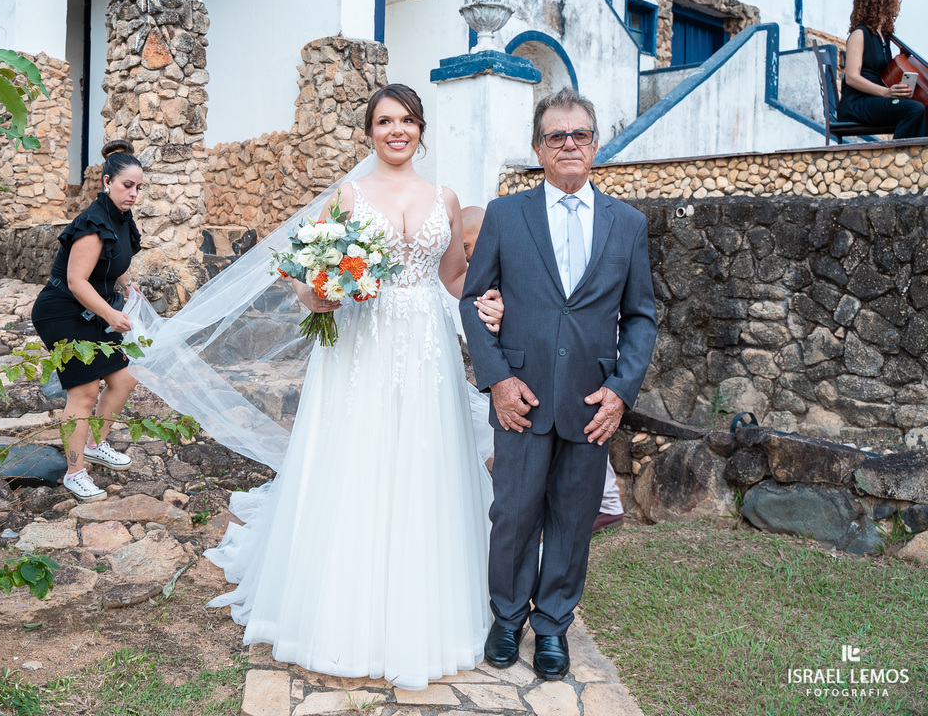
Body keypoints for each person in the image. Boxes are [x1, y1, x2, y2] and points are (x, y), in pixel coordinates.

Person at [206, 84, 503, 691]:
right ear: (369, 131)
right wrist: (317, 291)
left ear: (421, 128)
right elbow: (303, 269)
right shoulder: (347, 195)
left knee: (426, 464)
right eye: (385, 121)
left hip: (425, 347)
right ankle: (341, 617)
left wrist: (488, 299)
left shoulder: (443, 197)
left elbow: (451, 279)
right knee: (358, 459)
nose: (397, 130)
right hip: (362, 343)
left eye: (407, 120)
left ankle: (425, 616)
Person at [460, 87, 657, 679]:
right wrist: (496, 380)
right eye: (556, 137)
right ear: (538, 149)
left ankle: (552, 627)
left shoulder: (628, 224)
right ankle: (506, 616)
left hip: (591, 402)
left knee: (573, 520)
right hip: (519, 396)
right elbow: (474, 300)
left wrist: (621, 390)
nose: (569, 144)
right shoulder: (504, 215)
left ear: (595, 145)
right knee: (514, 513)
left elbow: (642, 315)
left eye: (580, 135)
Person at [465, 204, 625, 530]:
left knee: (582, 420)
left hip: (582, 347)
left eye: (468, 246)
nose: (469, 255)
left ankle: (604, 504)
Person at [30, 141, 143, 502]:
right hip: (63, 309)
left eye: (139, 187)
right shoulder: (93, 223)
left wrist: (126, 284)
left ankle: (95, 444)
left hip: (93, 308)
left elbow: (113, 263)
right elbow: (78, 280)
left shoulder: (121, 220)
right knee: (84, 392)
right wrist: (111, 313)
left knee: (124, 379)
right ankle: (74, 472)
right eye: (128, 185)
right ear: (108, 181)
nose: (134, 194)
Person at [838, 0, 927, 139]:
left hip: (875, 100)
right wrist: (887, 92)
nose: (900, 1)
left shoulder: (885, 37)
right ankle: (901, 158)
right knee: (914, 109)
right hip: (856, 103)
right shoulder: (860, 33)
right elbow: (851, 77)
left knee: (920, 107)